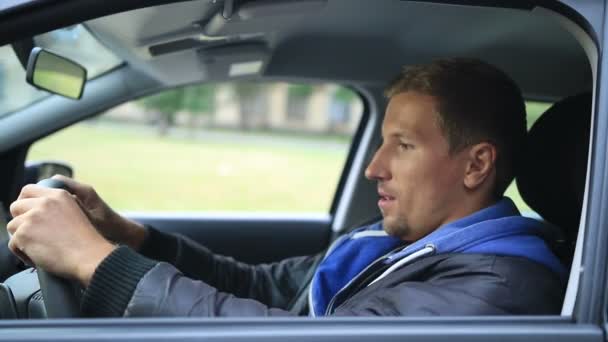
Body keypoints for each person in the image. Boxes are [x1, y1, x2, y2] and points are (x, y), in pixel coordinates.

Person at [7, 58, 566, 317]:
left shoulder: (497, 290)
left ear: (476, 166)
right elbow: (265, 289)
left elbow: (296, 340)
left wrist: (94, 262)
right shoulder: (399, 243)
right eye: (380, 142)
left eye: (403, 145)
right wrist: (129, 238)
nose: (375, 167)